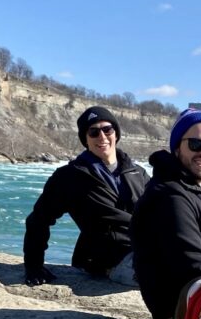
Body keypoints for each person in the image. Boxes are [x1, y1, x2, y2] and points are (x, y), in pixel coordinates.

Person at [131, 108, 201, 319]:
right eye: (196, 144)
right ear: (178, 146)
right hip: (183, 314)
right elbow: (193, 269)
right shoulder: (169, 197)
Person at [23, 106, 149, 286]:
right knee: (168, 278)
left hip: (145, 249)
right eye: (94, 132)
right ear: (86, 139)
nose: (102, 137)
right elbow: (38, 219)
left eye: (107, 129)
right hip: (109, 260)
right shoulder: (70, 177)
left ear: (116, 133)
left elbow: (162, 212)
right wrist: (34, 265)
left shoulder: (137, 172)